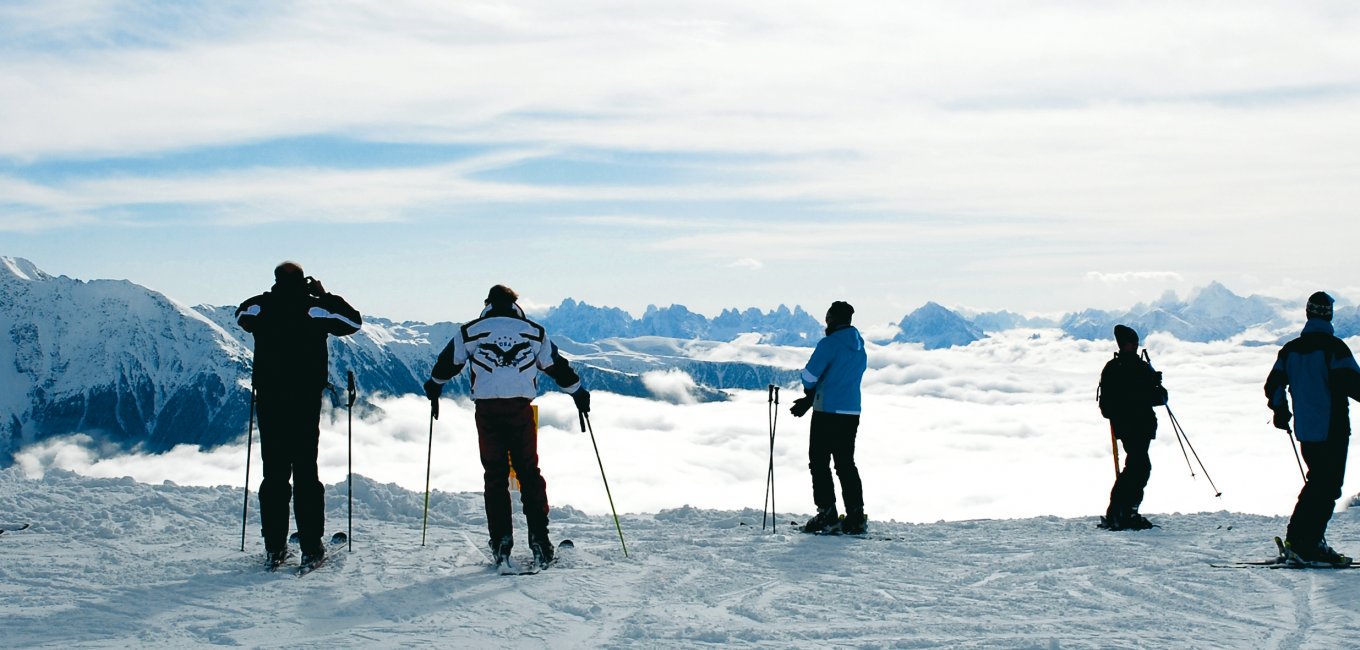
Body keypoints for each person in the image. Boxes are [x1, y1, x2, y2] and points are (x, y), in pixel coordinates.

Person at [423, 285, 590, 569]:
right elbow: (555, 366)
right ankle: (540, 541)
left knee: (495, 475)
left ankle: (501, 542)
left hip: (487, 411)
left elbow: (448, 363)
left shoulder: (470, 331)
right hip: (520, 410)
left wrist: (435, 386)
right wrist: (578, 392)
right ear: (515, 304)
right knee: (529, 473)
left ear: (488, 303)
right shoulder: (534, 331)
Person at [236, 262, 361, 570]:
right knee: (306, 472)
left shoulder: (261, 308)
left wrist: (274, 293)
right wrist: (323, 293)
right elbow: (353, 322)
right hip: (304, 400)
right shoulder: (315, 309)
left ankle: (274, 547)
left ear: (277, 280)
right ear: (303, 281)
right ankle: (310, 545)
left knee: (274, 473)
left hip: (270, 399)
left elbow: (241, 314)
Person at [1265, 291, 1360, 566]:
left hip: (1306, 429)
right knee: (1327, 487)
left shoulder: (1290, 350)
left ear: (1308, 314)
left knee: (1317, 483)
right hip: (1333, 428)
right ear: (1329, 315)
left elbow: (1273, 386)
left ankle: (1299, 539)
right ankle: (1309, 544)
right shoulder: (1334, 349)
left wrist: (1281, 412)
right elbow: (1352, 384)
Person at [790, 300, 868, 534]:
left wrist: (807, 393)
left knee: (819, 461)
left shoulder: (829, 344)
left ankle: (827, 514)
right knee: (845, 464)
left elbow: (810, 376)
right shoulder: (859, 345)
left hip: (827, 411)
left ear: (831, 319)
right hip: (851, 411)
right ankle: (856, 516)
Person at [1098, 324, 1168, 531]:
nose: (1134, 346)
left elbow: (1107, 406)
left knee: (1136, 467)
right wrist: (1153, 386)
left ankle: (1121, 511)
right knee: (1139, 468)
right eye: (1132, 342)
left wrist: (1154, 387)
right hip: (1136, 425)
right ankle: (1125, 511)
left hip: (1133, 426)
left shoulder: (1114, 368)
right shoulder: (1137, 368)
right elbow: (1158, 398)